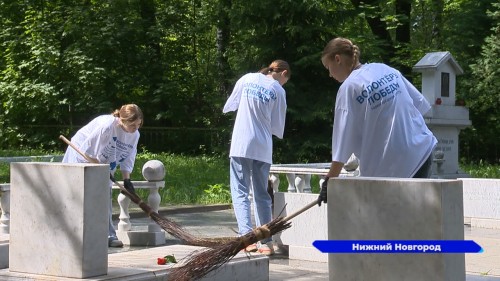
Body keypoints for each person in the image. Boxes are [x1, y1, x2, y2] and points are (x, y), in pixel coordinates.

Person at [317, 37, 437, 206]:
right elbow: (420, 105)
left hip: (395, 168)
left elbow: (341, 146)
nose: (329, 74)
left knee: (391, 226)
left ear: (337, 59)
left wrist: (329, 181)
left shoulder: (349, 88)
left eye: (328, 68)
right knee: (414, 223)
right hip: (422, 151)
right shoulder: (384, 69)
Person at [223, 60, 291, 255]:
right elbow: (277, 127)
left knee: (240, 191)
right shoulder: (278, 90)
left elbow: (231, 105)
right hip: (262, 147)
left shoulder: (247, 79)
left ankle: (247, 238)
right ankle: (266, 241)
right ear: (283, 73)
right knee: (262, 193)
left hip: (241, 144)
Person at [62, 104, 143, 247]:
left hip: (106, 161)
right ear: (122, 121)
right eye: (133, 125)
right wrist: (100, 169)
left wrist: (127, 180)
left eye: (138, 124)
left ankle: (109, 235)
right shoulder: (106, 127)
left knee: (105, 195)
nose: (135, 128)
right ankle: (73, 234)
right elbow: (88, 151)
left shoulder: (134, 134)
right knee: (79, 195)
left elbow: (129, 157)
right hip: (81, 157)